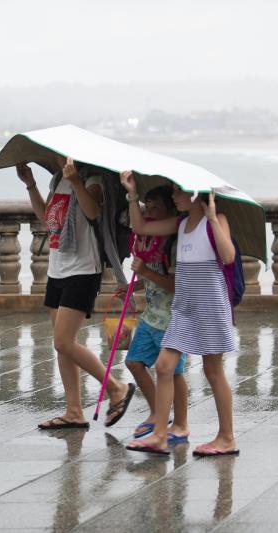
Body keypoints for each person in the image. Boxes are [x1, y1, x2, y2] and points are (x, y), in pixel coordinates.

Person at [119, 171, 239, 457]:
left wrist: (211, 218)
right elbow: (140, 226)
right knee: (163, 366)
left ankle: (227, 437)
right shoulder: (180, 223)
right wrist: (132, 194)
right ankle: (160, 435)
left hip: (209, 306)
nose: (173, 197)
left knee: (213, 370)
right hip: (184, 307)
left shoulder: (216, 221)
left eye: (177, 192)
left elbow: (229, 256)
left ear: (194, 194)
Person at [17, 156, 135, 429]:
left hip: (82, 268)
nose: (57, 157)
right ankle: (73, 411)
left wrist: (76, 181)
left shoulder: (93, 180)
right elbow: (47, 217)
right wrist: (31, 184)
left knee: (63, 341)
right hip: (58, 268)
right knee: (63, 345)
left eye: (61, 153)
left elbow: (93, 211)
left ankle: (116, 388)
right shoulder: (58, 180)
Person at [121, 185, 189, 445]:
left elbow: (174, 284)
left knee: (174, 372)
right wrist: (131, 287)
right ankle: (157, 412)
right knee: (134, 362)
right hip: (150, 316)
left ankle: (181, 422)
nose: (149, 212)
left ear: (171, 211)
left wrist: (146, 273)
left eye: (155, 207)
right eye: (146, 207)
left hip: (171, 317)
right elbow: (150, 279)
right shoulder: (149, 241)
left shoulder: (173, 244)